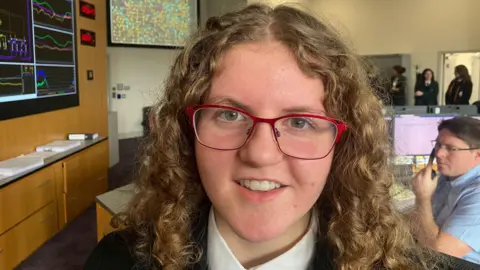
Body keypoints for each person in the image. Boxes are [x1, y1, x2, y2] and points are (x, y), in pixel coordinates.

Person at [84, 4, 465, 270]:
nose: (261, 154)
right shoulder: (116, 262)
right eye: (229, 114)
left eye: (300, 122)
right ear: (187, 135)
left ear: (343, 146)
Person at [411, 117, 480, 265]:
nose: (439, 154)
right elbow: (422, 223)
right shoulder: (447, 178)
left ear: (477, 155)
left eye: (451, 148)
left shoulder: (477, 195)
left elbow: (438, 251)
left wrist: (422, 198)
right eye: (438, 145)